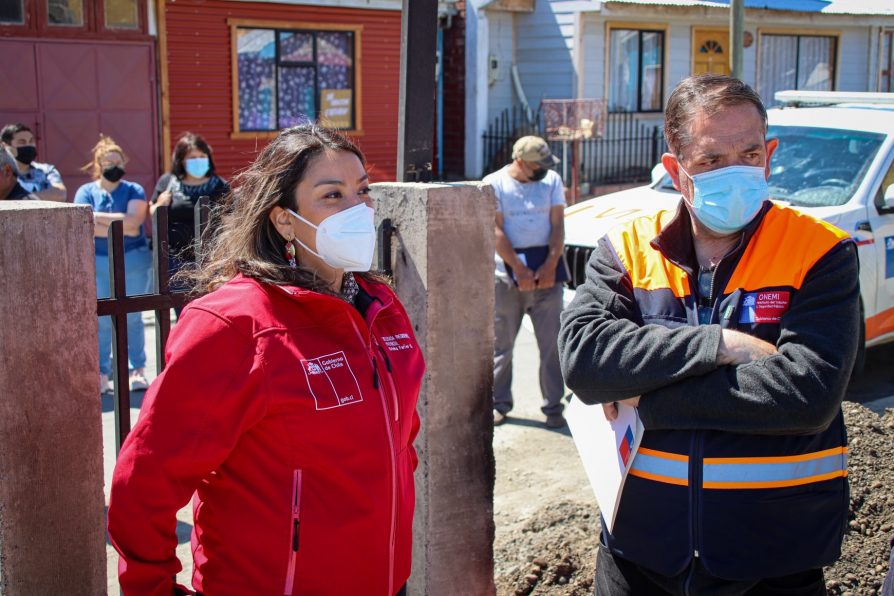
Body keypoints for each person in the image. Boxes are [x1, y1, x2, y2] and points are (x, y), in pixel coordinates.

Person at [559, 74, 858, 594]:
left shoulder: (820, 252)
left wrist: (644, 398)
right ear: (676, 171)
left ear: (770, 153)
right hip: (639, 549)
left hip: (772, 554)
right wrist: (718, 345)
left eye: (749, 153)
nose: (737, 172)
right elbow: (585, 363)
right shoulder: (627, 249)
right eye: (713, 161)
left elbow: (806, 397)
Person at [108, 125, 425, 595]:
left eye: (362, 190)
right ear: (283, 219)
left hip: (385, 581)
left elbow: (400, 440)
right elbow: (146, 480)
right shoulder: (234, 324)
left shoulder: (381, 306)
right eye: (332, 195)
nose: (357, 209)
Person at [484, 135, 567, 429]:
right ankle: (498, 403)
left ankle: (553, 406)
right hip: (506, 276)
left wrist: (551, 264)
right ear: (520, 161)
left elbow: (558, 224)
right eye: (537, 165)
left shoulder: (552, 181)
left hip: (548, 272)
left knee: (552, 346)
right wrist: (518, 268)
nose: (543, 169)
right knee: (501, 346)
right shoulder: (495, 183)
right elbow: (495, 230)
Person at [74, 136, 152, 393]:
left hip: (132, 259)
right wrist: (116, 221)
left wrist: (96, 218)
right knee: (103, 319)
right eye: (108, 162)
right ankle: (101, 373)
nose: (113, 166)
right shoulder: (86, 192)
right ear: (98, 164)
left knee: (132, 316)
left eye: (118, 161)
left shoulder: (134, 190)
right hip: (98, 260)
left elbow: (132, 225)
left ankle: (137, 370)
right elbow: (82, 225)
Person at [150, 132, 230, 313]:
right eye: (192, 157)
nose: (198, 161)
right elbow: (153, 214)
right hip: (175, 261)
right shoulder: (168, 183)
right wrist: (161, 204)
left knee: (211, 311)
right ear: (181, 161)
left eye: (202, 156)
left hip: (211, 261)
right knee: (183, 312)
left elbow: (230, 224)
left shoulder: (220, 186)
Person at [0, 123, 66, 201]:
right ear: (4, 146)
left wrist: (25, 200)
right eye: (22, 142)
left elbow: (60, 193)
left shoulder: (46, 170)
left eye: (31, 141)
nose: (29, 145)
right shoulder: (6, 173)